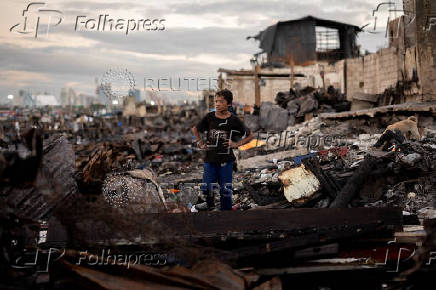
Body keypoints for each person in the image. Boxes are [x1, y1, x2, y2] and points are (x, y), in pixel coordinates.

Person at [192, 89, 254, 211]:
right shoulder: (209, 117)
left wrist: (236, 144)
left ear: (229, 104)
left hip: (226, 161)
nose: (217, 104)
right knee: (207, 186)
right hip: (210, 159)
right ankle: (209, 205)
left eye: (221, 101)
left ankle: (227, 216)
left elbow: (250, 135)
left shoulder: (234, 120)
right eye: (216, 101)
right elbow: (195, 129)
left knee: (225, 190)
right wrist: (200, 142)